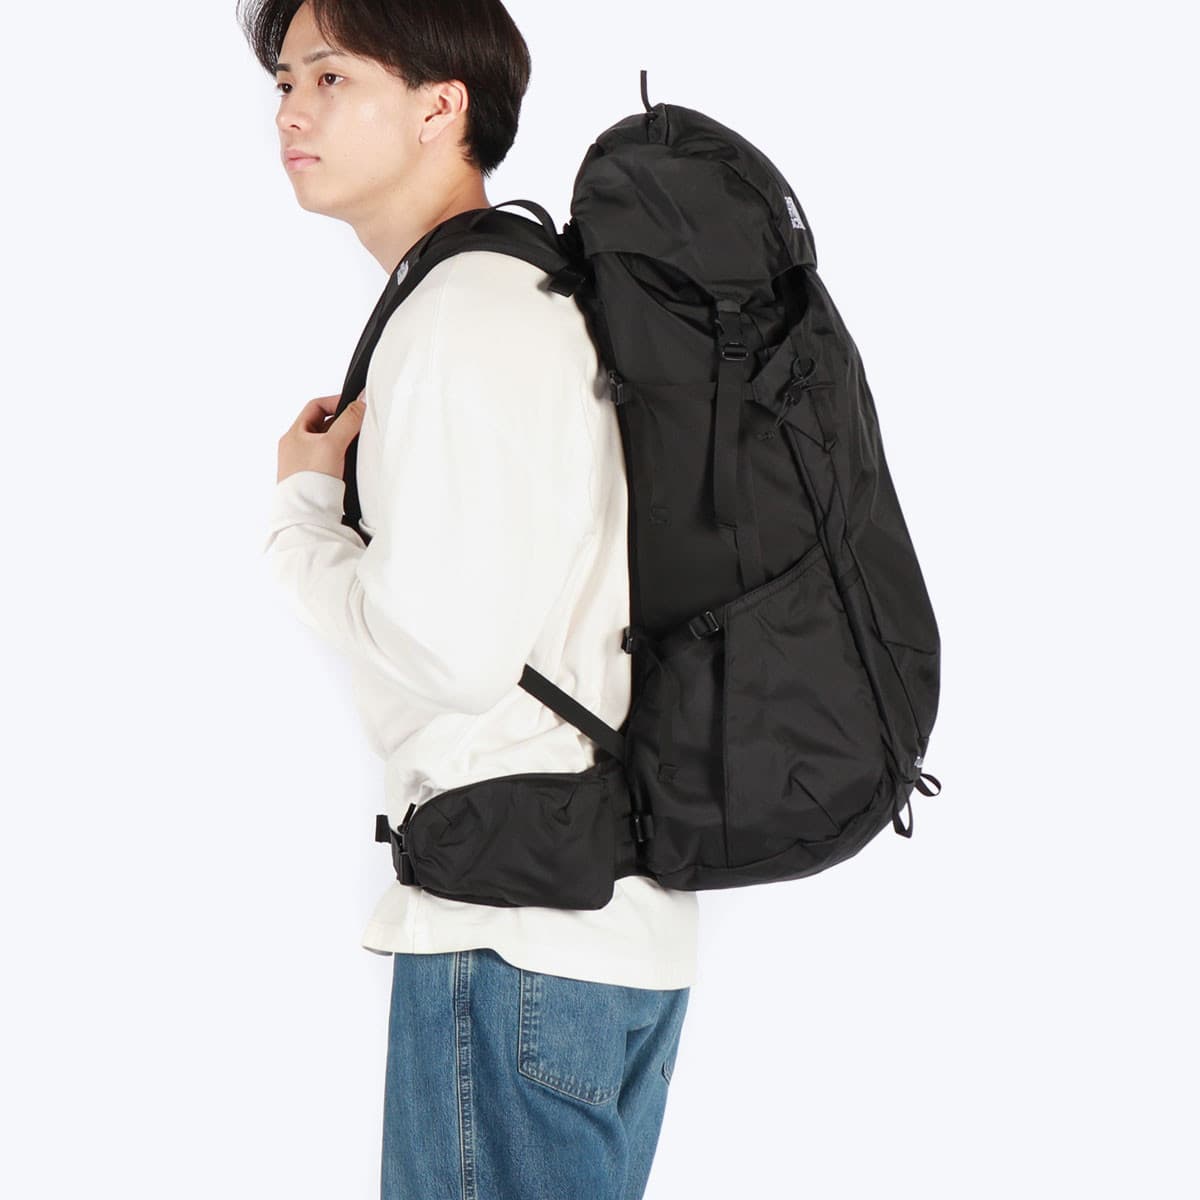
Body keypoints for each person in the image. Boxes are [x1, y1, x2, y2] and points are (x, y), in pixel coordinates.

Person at [238, 2, 699, 1196]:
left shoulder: (465, 312)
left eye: (331, 78)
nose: (291, 111)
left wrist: (299, 518)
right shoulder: (524, 293)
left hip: (511, 942)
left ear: (443, 106)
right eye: (284, 82)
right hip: (587, 926)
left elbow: (448, 651)